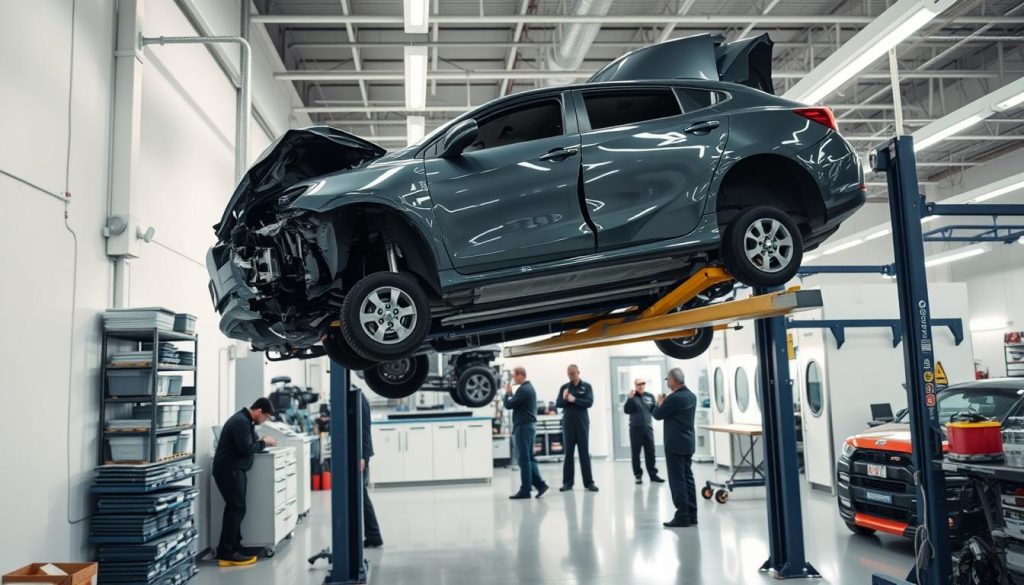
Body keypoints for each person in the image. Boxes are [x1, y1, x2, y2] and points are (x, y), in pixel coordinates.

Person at [213, 398, 279, 566]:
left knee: (235, 508)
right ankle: (227, 553)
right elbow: (246, 450)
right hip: (230, 470)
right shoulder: (241, 422)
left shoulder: (245, 421)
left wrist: (259, 441)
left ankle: (233, 547)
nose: (265, 421)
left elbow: (247, 444)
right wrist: (264, 442)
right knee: (237, 508)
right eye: (266, 417)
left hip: (233, 469)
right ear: (259, 411)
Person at [653, 368, 698, 528]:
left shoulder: (673, 399)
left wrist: (660, 403)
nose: (668, 383)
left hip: (674, 444)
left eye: (668, 380)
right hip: (688, 443)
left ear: (672, 380)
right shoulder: (691, 396)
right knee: (688, 478)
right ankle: (692, 515)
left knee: (677, 479)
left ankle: (682, 515)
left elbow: (657, 415)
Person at [503, 366, 550, 500]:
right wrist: (511, 395)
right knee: (528, 458)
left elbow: (508, 405)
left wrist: (507, 393)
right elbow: (514, 403)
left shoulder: (524, 390)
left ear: (520, 375)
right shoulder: (527, 389)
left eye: (513, 376)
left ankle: (525, 490)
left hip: (524, 427)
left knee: (523, 459)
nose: (513, 379)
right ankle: (540, 485)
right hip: (527, 427)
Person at [557, 364, 598, 492]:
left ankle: (589, 483)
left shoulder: (587, 387)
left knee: (584, 453)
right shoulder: (564, 387)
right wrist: (564, 399)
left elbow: (589, 402)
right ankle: (567, 483)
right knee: (568, 454)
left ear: (578, 372)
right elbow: (558, 404)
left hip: (582, 424)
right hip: (568, 424)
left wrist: (574, 399)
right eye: (569, 374)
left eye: (573, 373)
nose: (571, 376)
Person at [623, 378, 666, 484]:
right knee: (636, 453)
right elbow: (626, 410)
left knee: (650, 452)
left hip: (648, 429)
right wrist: (629, 399)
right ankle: (638, 476)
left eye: (642, 384)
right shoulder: (632, 397)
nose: (640, 386)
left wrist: (661, 404)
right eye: (638, 384)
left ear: (644, 385)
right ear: (635, 385)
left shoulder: (649, 396)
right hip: (635, 429)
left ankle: (653, 475)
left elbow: (655, 411)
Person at [361, 393, 383, 548]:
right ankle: (373, 535)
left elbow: (362, 429)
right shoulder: (358, 397)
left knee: (361, 495)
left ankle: (374, 535)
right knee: (361, 495)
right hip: (361, 454)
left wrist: (361, 456)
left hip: (361, 455)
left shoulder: (358, 399)